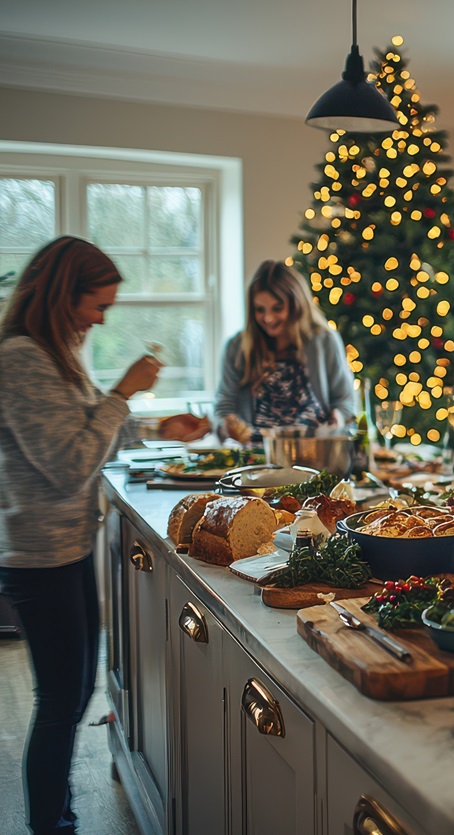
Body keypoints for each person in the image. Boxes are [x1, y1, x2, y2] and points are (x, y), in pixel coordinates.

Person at [0, 235, 209, 835]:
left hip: (62, 545)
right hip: (38, 555)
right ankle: (50, 824)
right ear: (64, 295)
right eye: (97, 305)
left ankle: (57, 812)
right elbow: (70, 463)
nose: (102, 317)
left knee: (69, 697)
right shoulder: (21, 359)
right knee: (60, 702)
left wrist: (156, 424)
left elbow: (90, 428)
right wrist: (123, 392)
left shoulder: (51, 353)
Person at [214, 260, 355, 444]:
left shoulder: (325, 340)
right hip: (257, 455)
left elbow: (345, 400)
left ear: (296, 305)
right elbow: (225, 402)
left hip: (315, 453)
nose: (268, 318)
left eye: (277, 308)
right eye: (259, 310)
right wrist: (228, 425)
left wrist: (339, 417)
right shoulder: (236, 346)